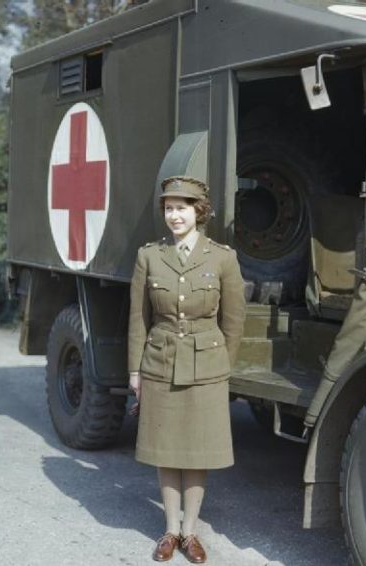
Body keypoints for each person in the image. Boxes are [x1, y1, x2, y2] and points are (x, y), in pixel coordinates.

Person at [128, 176, 246, 563]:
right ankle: (170, 530)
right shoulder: (149, 256)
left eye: (182, 208)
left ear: (199, 211)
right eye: (168, 208)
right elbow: (138, 319)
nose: (174, 215)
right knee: (167, 449)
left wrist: (220, 365)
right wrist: (135, 371)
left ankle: (191, 532)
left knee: (197, 452)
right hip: (160, 361)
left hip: (206, 365)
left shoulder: (222, 257)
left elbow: (234, 320)